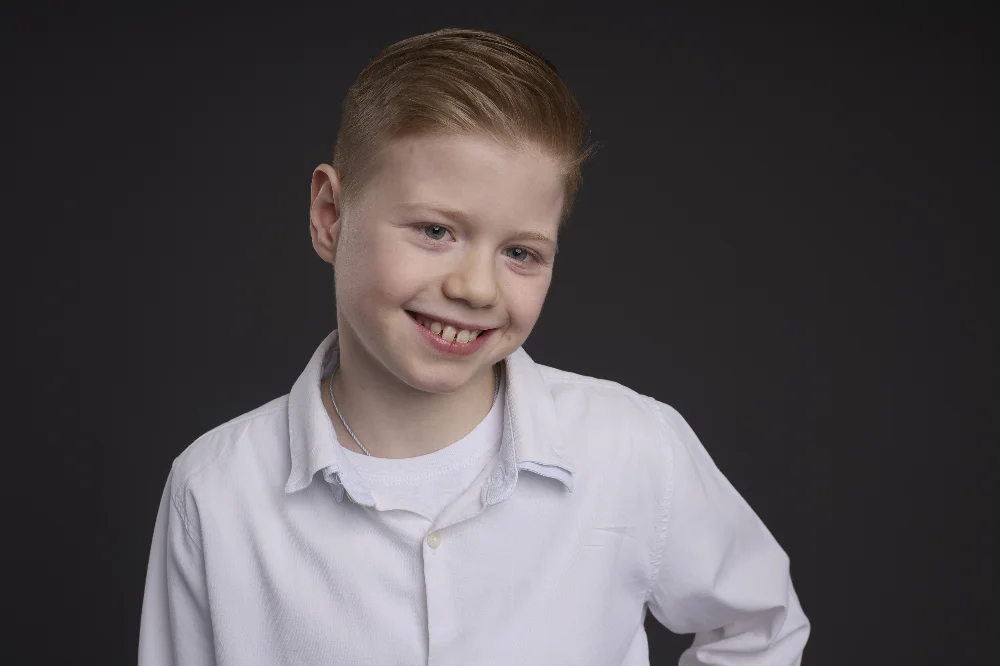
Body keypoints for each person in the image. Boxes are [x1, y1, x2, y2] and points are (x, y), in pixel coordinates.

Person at [138, 27, 810, 665]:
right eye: (436, 231)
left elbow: (760, 627)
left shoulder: (631, 447)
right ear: (330, 217)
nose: (476, 287)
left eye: (520, 252)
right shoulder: (216, 490)